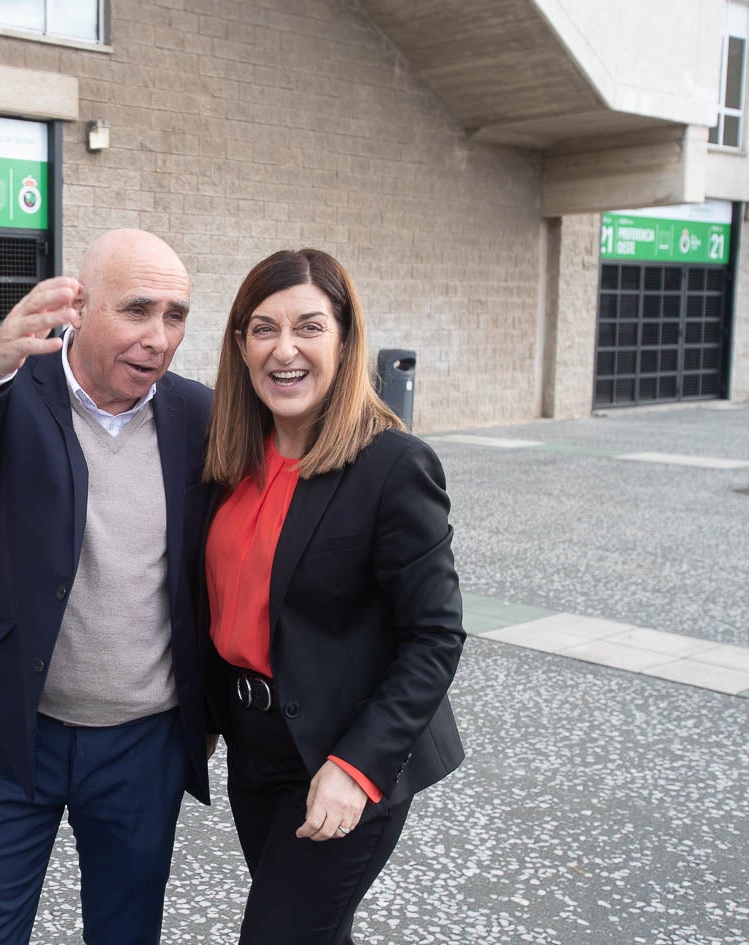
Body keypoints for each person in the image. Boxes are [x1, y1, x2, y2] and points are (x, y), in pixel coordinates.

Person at [0, 229, 216, 945]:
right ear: (77, 306)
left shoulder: (197, 415)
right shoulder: (11, 393)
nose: (158, 338)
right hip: (8, 731)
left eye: (176, 315)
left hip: (141, 743)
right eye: (136, 310)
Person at [201, 248, 465, 945]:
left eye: (308, 327)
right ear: (239, 344)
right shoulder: (228, 456)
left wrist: (354, 767)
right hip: (252, 747)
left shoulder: (391, 466)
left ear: (345, 340)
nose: (283, 349)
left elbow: (433, 636)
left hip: (342, 751)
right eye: (263, 328)